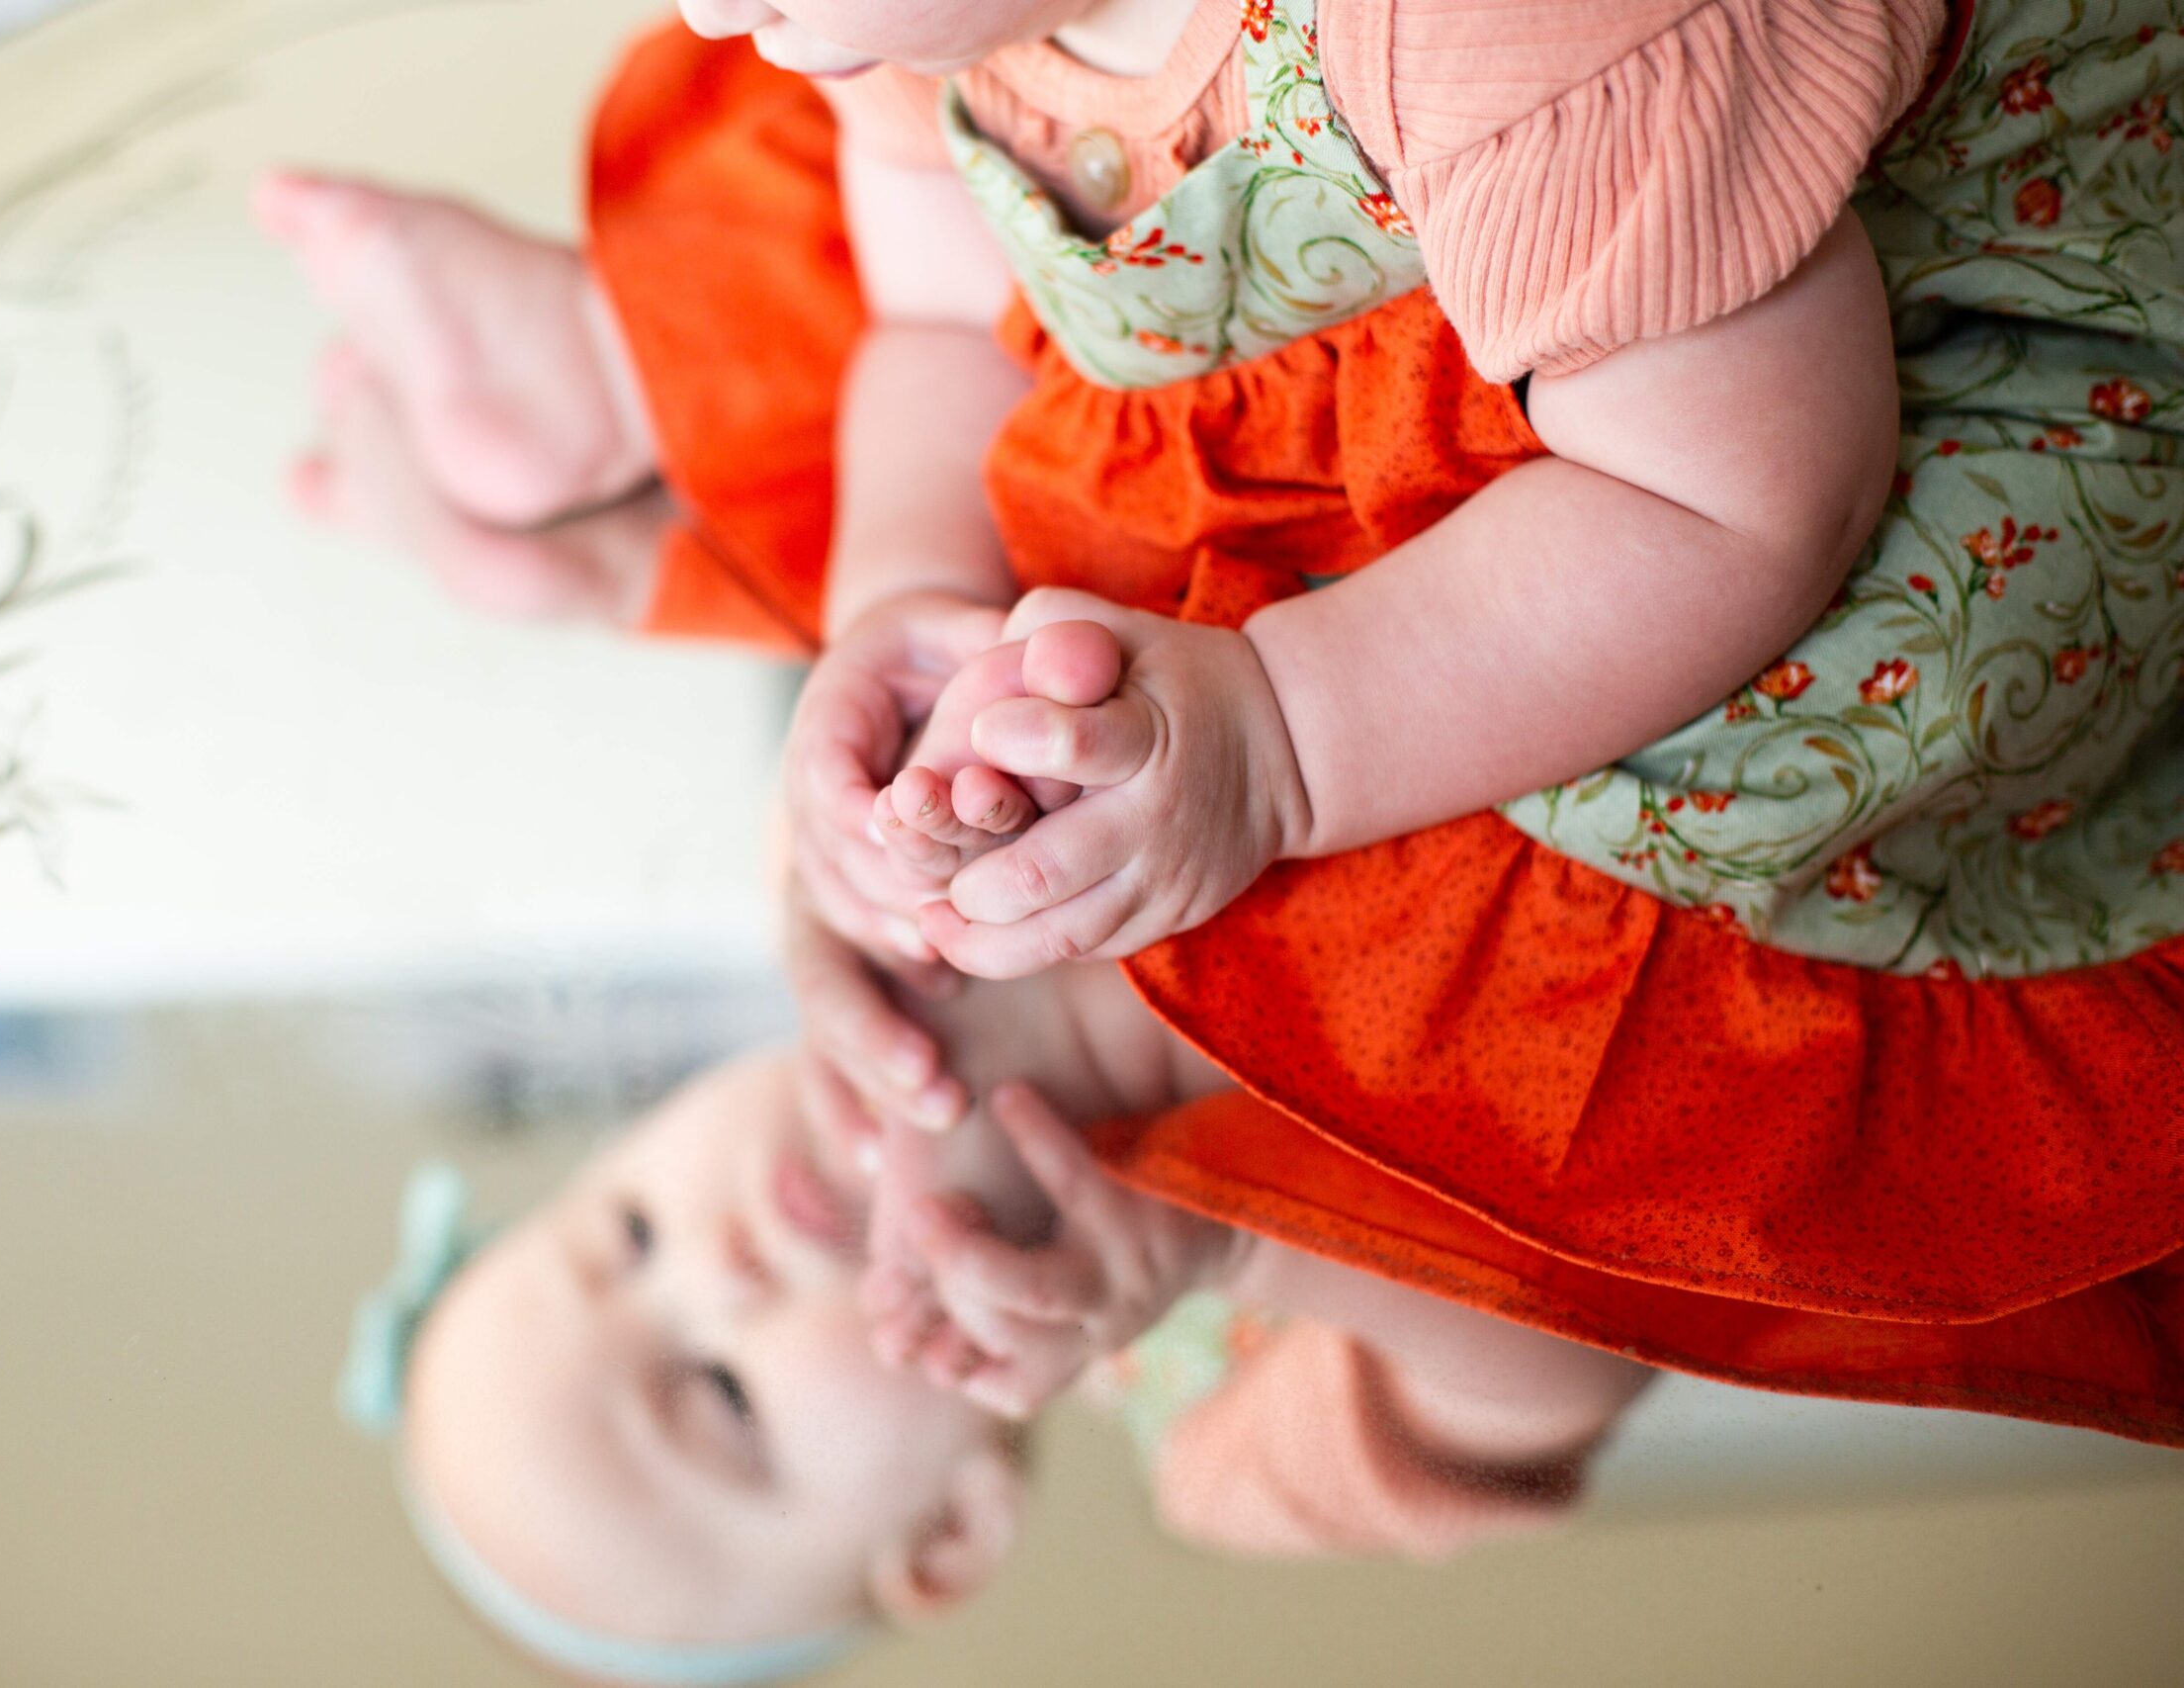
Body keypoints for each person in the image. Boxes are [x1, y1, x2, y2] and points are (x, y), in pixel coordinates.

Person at [269, 0, 2184, 1446]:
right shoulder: (897, 35)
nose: (689, 13)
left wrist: (1275, 737)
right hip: (1504, 335)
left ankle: (601, 433)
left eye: (627, 1243)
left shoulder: (1516, 32)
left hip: (1861, 430)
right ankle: (593, 433)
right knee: (964, 428)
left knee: (1573, 797)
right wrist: (891, 604)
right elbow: (937, 326)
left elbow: (1738, 505)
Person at [340, 923, 1651, 1683]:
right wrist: (1220, 1250)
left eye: (632, 1231)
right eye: (725, 1397)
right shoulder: (1226, 1440)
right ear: (949, 1533)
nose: (717, 1264)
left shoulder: (887, 932)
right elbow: (1579, 1355)